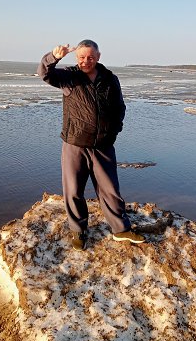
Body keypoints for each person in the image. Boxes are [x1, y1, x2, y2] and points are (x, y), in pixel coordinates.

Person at [37, 39, 145, 250]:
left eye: (90, 57)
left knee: (110, 189)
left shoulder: (110, 79)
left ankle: (120, 230)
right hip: (75, 144)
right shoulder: (68, 77)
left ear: (98, 56)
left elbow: (119, 107)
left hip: (103, 145)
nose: (86, 61)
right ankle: (78, 231)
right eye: (82, 57)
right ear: (76, 57)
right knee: (73, 190)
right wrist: (54, 57)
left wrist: (114, 130)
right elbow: (44, 73)